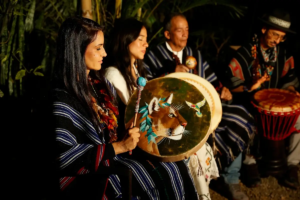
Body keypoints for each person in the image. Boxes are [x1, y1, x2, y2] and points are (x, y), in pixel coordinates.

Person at [143, 13, 255, 200]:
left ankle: (228, 175)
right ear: (168, 34)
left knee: (241, 115)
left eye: (187, 29)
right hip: (174, 115)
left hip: (202, 108)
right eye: (179, 30)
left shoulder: (195, 55)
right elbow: (147, 90)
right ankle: (212, 174)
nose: (185, 34)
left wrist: (222, 91)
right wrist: (169, 73)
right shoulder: (153, 56)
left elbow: (211, 83)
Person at [104, 18, 201, 200]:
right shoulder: (113, 74)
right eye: (140, 39)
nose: (146, 44)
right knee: (173, 166)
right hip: (130, 144)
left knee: (186, 153)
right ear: (125, 39)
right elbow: (132, 116)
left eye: (146, 39)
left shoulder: (137, 70)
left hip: (144, 138)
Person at [52, 16, 141, 199]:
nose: (105, 53)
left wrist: (127, 133)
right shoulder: (61, 99)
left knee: (171, 166)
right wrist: (119, 147)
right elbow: (65, 158)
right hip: (87, 180)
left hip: (113, 163)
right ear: (77, 50)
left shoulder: (102, 86)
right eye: (98, 48)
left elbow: (112, 135)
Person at [224, 8, 300, 189]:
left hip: (275, 105)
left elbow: (289, 80)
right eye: (275, 35)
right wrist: (251, 86)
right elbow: (230, 81)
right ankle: (249, 163)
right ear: (264, 29)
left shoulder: (283, 55)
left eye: (282, 37)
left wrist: (292, 91)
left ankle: (292, 166)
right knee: (246, 119)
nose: (277, 40)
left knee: (299, 117)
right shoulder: (245, 53)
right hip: (248, 102)